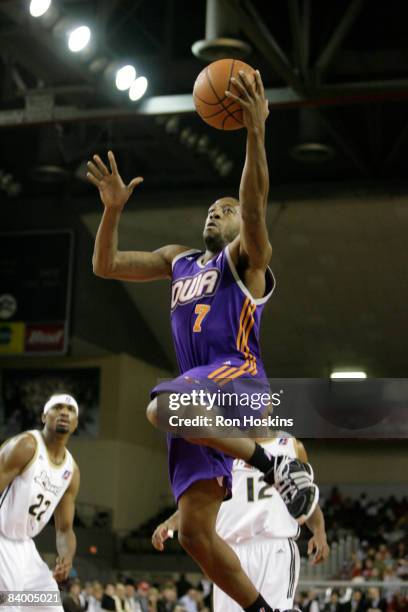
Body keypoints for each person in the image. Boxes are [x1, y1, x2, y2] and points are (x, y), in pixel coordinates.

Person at [89, 69, 318, 612]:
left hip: (236, 377)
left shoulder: (245, 262)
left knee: (163, 404)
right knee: (195, 534)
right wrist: (113, 211)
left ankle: (272, 465)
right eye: (210, 208)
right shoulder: (178, 261)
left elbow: (256, 202)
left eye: (226, 208)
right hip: (198, 396)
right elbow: (106, 265)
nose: (215, 211)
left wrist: (255, 133)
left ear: (242, 224)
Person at [152, 434, 329, 611]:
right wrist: (170, 523)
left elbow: (305, 495)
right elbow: (202, 502)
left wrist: (319, 530)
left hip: (274, 548)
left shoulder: (291, 446)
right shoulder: (222, 445)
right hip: (227, 552)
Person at [0, 392, 80, 607]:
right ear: (44, 416)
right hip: (2, 538)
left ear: (75, 424)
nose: (64, 412)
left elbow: (64, 529)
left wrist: (66, 557)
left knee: (48, 603)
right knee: (7, 604)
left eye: (70, 409)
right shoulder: (26, 446)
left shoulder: (70, 470)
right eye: (57, 407)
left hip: (26, 547)